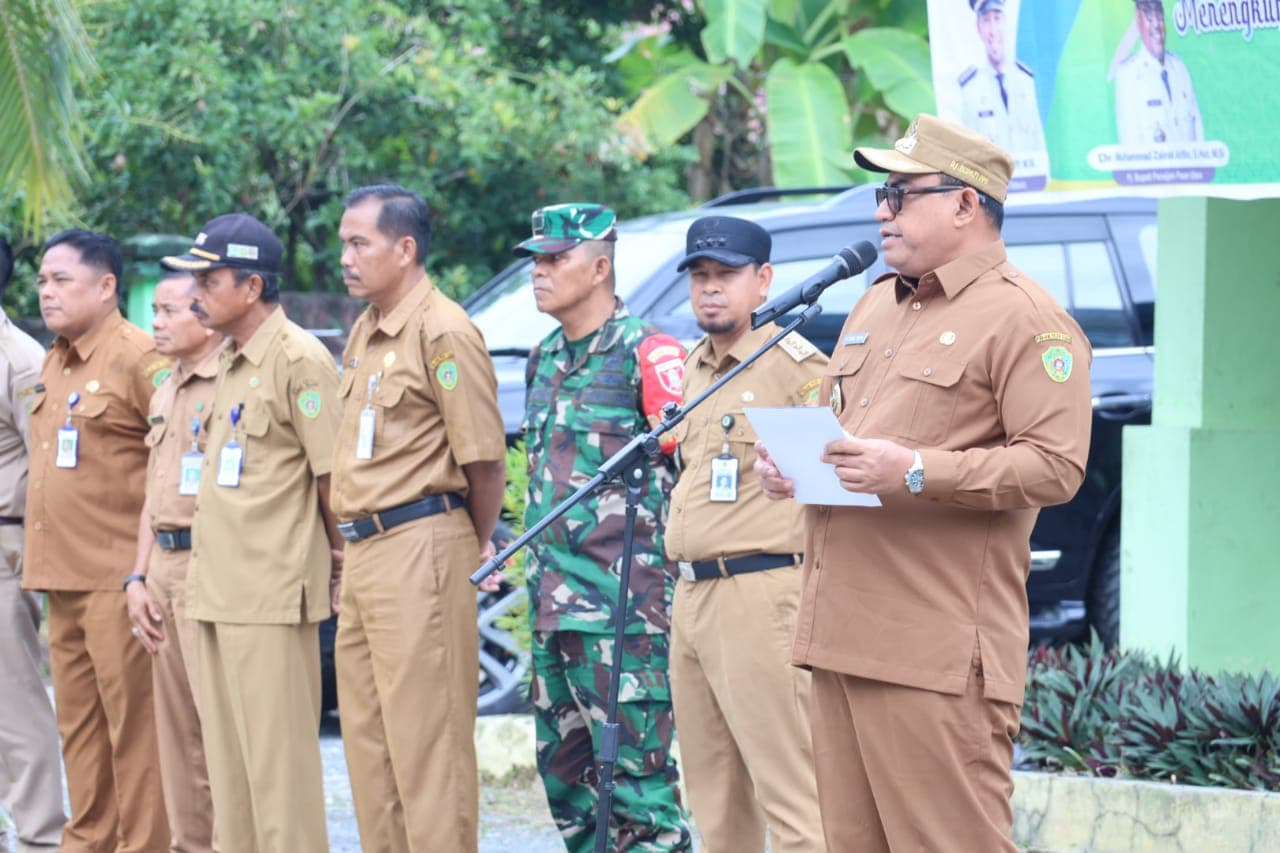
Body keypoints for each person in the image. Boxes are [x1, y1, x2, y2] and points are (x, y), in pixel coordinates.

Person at [755, 114, 1093, 851]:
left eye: (902, 193)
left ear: (966, 205)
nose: (882, 209)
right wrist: (796, 467)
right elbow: (842, 428)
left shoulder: (1028, 320)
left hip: (932, 653)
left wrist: (912, 469)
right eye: (882, 192)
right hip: (841, 635)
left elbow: (1056, 465)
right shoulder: (879, 301)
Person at [329, 184, 506, 852]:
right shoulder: (366, 327)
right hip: (368, 550)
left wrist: (473, 544)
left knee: (428, 748)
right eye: (344, 242)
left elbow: (484, 462)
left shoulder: (444, 329)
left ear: (404, 249)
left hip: (423, 541)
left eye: (358, 243)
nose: (345, 256)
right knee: (371, 749)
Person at [162, 213, 341, 852]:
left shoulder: (300, 359)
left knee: (279, 777)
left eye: (208, 280)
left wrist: (341, 568)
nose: (194, 294)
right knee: (232, 778)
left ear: (252, 285)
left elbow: (332, 481)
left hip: (270, 598)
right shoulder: (232, 360)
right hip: (214, 593)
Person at [516, 203, 692, 852]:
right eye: (535, 258)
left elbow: (687, 467)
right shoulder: (545, 358)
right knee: (571, 796)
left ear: (598, 267)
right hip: (553, 610)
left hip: (624, 616)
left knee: (639, 802)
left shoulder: (649, 353)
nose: (539, 271)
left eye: (555, 259)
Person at [662, 216, 827, 852]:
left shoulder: (796, 369)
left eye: (726, 275)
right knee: (715, 800)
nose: (710, 289)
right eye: (700, 276)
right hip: (694, 596)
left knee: (794, 801)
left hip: (762, 594)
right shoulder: (696, 368)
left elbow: (832, 485)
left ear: (763, 282)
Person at [23, 229, 170, 851]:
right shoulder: (56, 356)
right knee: (79, 730)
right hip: (61, 574)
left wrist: (145, 571)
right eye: (41, 282)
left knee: (135, 732)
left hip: (119, 579)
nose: (47, 292)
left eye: (62, 281)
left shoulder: (140, 356)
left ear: (107, 287)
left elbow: (172, 457)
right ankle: (89, 842)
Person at [124, 269, 224, 852]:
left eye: (168, 311)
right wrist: (137, 576)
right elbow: (153, 492)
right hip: (161, 567)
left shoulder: (230, 383)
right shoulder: (167, 388)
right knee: (178, 735)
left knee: (219, 732)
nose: (155, 324)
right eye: (154, 312)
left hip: (210, 566)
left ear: (205, 313)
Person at [0, 235, 66, 852]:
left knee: (13, 702)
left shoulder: (19, 359)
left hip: (3, 546)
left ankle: (42, 834)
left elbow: (45, 462)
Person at [957, 0, 1049, 177]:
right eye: (986, 21)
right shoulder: (970, 88)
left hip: (1033, 186)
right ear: (979, 28)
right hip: (992, 189)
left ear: (1006, 23)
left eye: (997, 19)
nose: (993, 31)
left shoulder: (1026, 80)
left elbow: (1038, 141)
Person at [1115, 0, 1203, 145]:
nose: (1156, 25)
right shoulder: (1129, 76)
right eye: (1149, 16)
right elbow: (1130, 149)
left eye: (1160, 16)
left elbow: (1199, 135)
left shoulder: (1179, 68)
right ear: (1138, 19)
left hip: (1189, 167)